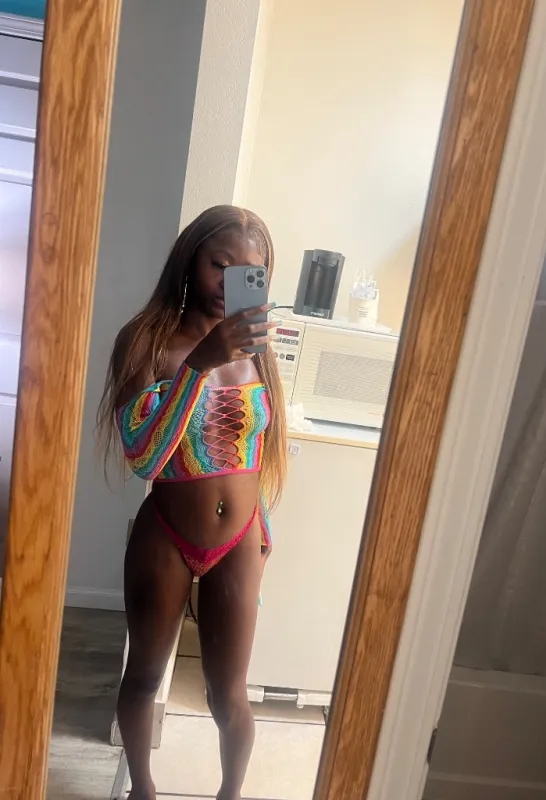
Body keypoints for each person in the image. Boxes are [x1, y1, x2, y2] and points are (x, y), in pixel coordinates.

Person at [97, 205, 287, 800]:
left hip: (240, 541)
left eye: (248, 273)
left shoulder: (257, 350)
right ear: (189, 260)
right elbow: (145, 457)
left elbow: (256, 449)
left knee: (229, 695)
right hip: (167, 535)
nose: (229, 283)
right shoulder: (146, 342)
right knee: (145, 676)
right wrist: (200, 365)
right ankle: (142, 790)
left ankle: (231, 794)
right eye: (218, 265)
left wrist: (261, 529)